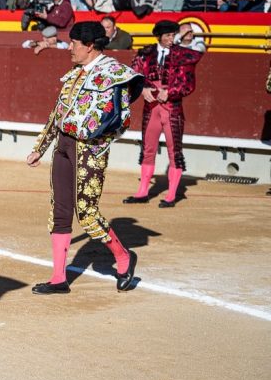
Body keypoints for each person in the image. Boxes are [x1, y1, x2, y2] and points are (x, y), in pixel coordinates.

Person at [26, 21, 144, 294]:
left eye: (74, 43)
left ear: (89, 46)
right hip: (64, 147)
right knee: (60, 211)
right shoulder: (75, 74)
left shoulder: (115, 73)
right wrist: (40, 148)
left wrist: (91, 135)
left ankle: (123, 256)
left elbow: (122, 119)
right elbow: (57, 114)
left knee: (87, 214)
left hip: (90, 150)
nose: (69, 48)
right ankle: (59, 278)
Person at [124, 20, 203, 208]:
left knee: (174, 151)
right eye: (167, 35)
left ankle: (171, 195)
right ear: (159, 36)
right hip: (151, 107)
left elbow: (188, 83)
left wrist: (171, 92)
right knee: (148, 149)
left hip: (172, 107)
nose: (170, 39)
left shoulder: (183, 55)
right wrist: (143, 90)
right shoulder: (145, 54)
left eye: (172, 35)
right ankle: (143, 192)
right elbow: (133, 77)